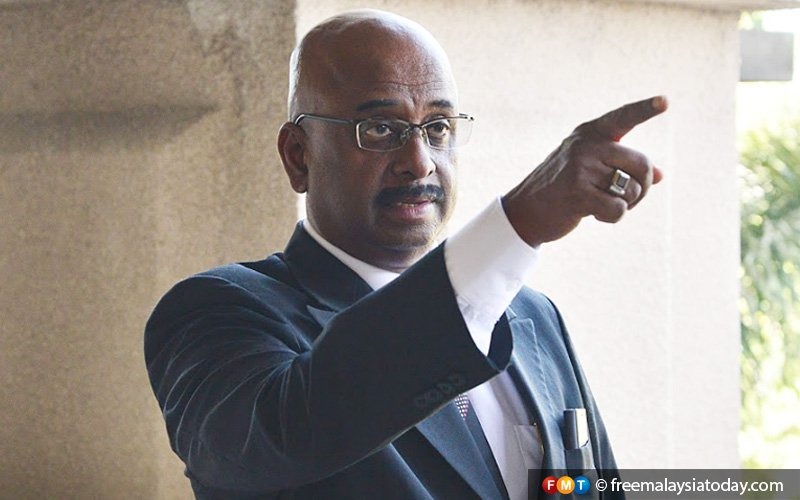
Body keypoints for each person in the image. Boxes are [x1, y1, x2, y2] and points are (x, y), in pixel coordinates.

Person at [145, 9, 666, 500]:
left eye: (438, 128)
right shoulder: (218, 312)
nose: (419, 162)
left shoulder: (532, 315)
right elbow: (286, 436)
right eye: (380, 129)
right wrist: (518, 223)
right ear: (298, 156)